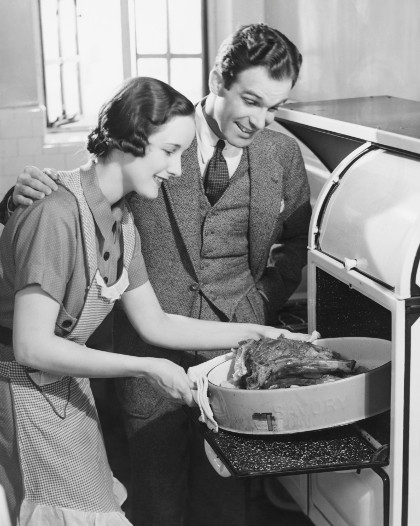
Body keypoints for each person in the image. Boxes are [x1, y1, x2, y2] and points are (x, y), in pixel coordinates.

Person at [1, 24, 312, 526]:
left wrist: (261, 323)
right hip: (97, 368)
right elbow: (71, 209)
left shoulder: (274, 157)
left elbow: (291, 244)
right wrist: (18, 200)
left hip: (201, 360)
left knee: (224, 501)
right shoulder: (145, 140)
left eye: (274, 108)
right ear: (219, 79)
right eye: (251, 100)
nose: (261, 120)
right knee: (148, 500)